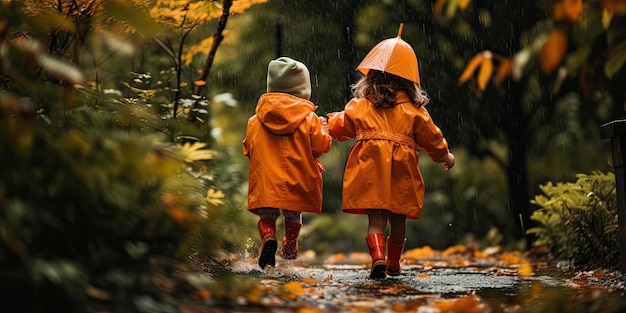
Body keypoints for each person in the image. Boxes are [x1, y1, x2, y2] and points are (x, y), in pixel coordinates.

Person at [327, 25, 455, 278]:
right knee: (398, 220)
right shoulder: (415, 111)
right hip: (401, 170)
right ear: (409, 81)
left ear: (371, 75)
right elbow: (432, 137)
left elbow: (341, 125)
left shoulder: (361, 105)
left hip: (369, 168)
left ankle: (378, 258)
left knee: (376, 220)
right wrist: (444, 155)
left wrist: (325, 125)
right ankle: (394, 263)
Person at [243, 56, 332, 270]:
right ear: (303, 89)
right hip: (297, 177)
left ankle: (269, 237)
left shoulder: (255, 121)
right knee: (293, 214)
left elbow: (248, 148)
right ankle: (290, 244)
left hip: (266, 180)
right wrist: (324, 129)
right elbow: (321, 147)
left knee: (267, 215)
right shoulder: (310, 119)